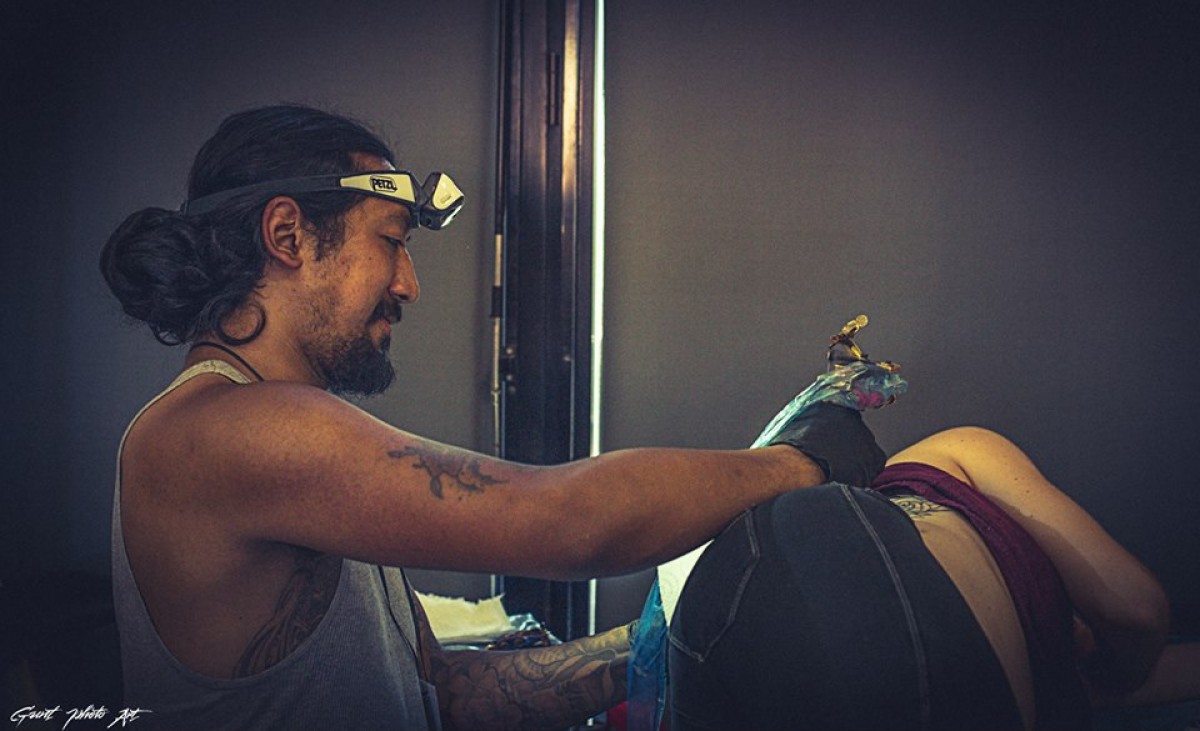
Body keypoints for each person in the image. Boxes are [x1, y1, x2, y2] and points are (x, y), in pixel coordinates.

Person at [97, 104, 886, 731]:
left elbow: (441, 692)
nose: (408, 284)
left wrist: (656, 642)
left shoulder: (283, 433)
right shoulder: (222, 430)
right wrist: (802, 458)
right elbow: (564, 520)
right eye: (392, 241)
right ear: (287, 236)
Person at [666, 425, 1174, 731]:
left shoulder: (945, 459)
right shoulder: (959, 451)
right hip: (846, 573)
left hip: (720, 584)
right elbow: (1136, 610)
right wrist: (1114, 673)